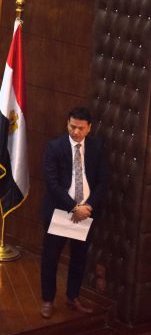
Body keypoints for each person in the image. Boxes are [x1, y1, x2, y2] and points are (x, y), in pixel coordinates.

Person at [40, 107, 108, 318]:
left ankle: (73, 297)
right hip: (61, 211)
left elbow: (102, 182)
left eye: (80, 128)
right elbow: (52, 183)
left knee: (79, 257)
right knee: (51, 258)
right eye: (72, 126)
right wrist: (74, 207)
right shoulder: (54, 147)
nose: (76, 131)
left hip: (86, 212)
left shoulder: (97, 147)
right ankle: (48, 300)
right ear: (67, 124)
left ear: (89, 128)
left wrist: (88, 207)